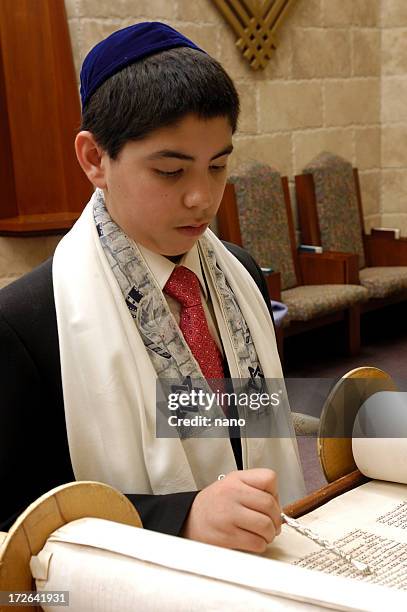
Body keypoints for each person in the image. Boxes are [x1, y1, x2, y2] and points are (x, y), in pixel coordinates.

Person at [0, 22, 305, 553]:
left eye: (218, 166)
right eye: (170, 171)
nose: (202, 199)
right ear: (95, 158)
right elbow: (17, 518)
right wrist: (180, 515)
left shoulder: (238, 272)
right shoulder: (25, 322)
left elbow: (228, 418)